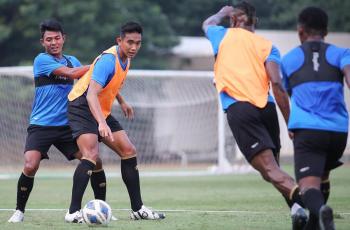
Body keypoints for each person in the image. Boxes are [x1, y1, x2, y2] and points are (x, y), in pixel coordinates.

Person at [202, 2, 307, 229]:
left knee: (269, 170)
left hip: (241, 109)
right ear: (254, 22)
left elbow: (207, 23)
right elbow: (277, 86)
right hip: (267, 109)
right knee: (272, 170)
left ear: (233, 20)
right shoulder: (268, 46)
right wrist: (291, 122)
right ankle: (298, 211)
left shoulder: (221, 34)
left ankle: (311, 205)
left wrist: (222, 11)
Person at [7, 19, 109, 223]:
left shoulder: (73, 60)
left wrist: (120, 99)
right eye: (48, 39)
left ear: (64, 39)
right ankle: (19, 211)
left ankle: (102, 207)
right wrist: (100, 63)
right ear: (42, 42)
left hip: (67, 126)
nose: (53, 42)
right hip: (41, 125)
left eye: (56, 38)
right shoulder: (41, 60)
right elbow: (71, 74)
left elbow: (92, 82)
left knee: (94, 160)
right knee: (30, 165)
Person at [66, 21, 165, 221]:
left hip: (100, 109)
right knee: (91, 154)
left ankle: (138, 210)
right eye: (130, 42)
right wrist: (101, 123)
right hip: (82, 106)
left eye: (138, 43)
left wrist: (122, 101)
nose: (134, 47)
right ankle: (72, 212)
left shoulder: (126, 60)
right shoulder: (107, 60)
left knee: (129, 151)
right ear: (119, 40)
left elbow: (112, 84)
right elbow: (91, 94)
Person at [281, 6, 350, 230]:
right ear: (326, 32)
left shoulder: (289, 59)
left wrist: (290, 121)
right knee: (323, 175)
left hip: (308, 131)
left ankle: (321, 212)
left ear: (300, 31)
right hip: (339, 132)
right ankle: (315, 223)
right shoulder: (342, 54)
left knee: (309, 186)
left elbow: (284, 91)